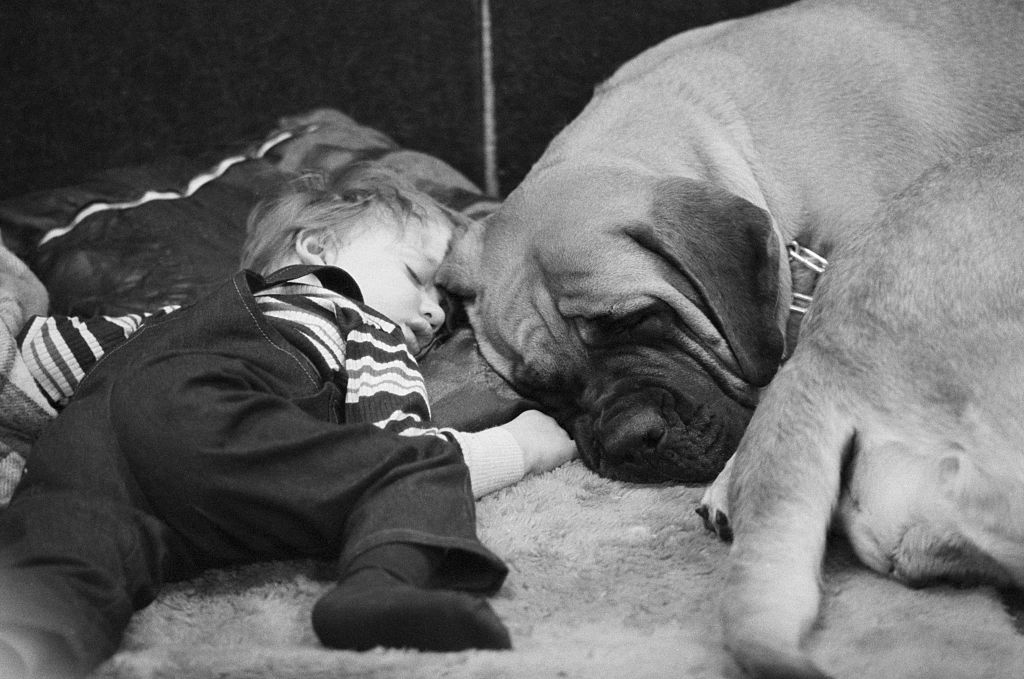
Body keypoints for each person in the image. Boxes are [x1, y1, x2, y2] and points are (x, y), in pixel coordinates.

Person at [0, 163, 577, 679]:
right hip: (221, 420)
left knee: (65, 567)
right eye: (417, 277)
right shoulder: (359, 320)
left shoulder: (178, 317)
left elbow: (35, 360)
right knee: (422, 466)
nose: (433, 310)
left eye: (440, 302)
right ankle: (381, 586)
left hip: (87, 446)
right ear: (319, 246)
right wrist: (519, 445)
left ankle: (22, 649)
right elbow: (398, 444)